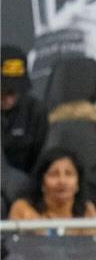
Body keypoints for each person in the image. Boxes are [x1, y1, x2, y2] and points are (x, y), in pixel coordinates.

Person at [8, 148, 96, 235]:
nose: (62, 181)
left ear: (77, 184)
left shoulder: (87, 210)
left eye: (69, 174)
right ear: (42, 183)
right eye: (54, 174)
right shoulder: (23, 209)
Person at [1, 44, 47, 174]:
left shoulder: (36, 111)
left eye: (14, 92)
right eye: (3, 91)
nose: (8, 99)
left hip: (24, 186)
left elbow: (41, 161)